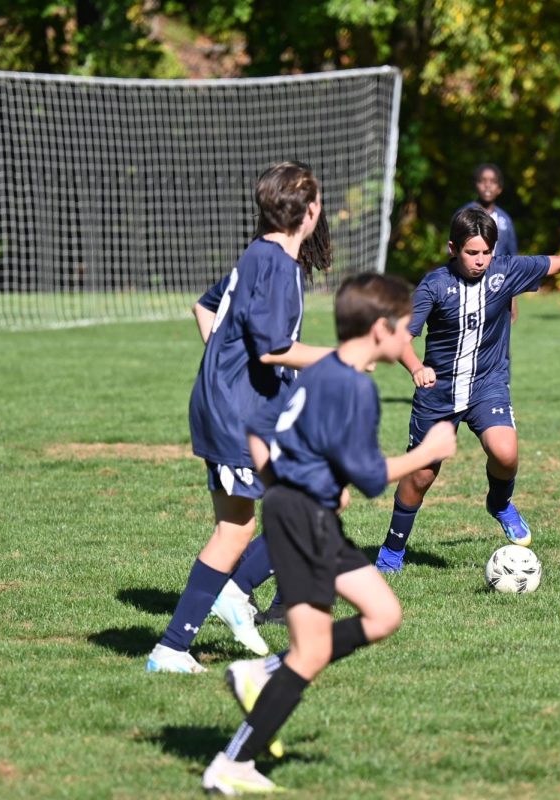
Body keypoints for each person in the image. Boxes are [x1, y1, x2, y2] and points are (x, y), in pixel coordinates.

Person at [201, 274, 458, 794]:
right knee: (311, 652)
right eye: (406, 328)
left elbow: (259, 428)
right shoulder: (357, 387)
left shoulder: (321, 371)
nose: (409, 336)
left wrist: (285, 484)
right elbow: (367, 476)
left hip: (309, 514)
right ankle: (233, 762)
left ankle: (263, 673)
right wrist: (428, 452)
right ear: (381, 329)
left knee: (384, 614)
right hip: (303, 520)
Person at [373, 208, 560, 573]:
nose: (481, 260)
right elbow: (403, 336)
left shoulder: (505, 271)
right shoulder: (434, 285)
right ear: (453, 248)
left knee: (505, 453)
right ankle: (392, 551)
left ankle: (500, 503)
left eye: (486, 252)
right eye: (472, 253)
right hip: (439, 394)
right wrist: (416, 367)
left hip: (487, 385)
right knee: (421, 475)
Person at [147, 162, 335, 674]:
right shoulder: (276, 266)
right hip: (238, 416)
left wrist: (224, 363)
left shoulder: (259, 254)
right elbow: (274, 349)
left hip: (237, 407)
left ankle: (228, 595)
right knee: (240, 529)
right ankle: (174, 644)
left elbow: (205, 309)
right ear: (312, 211)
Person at [458, 163, 518, 257]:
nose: (487, 185)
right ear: (475, 185)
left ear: (499, 189)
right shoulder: (464, 214)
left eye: (493, 181)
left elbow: (513, 255)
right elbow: (453, 251)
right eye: (483, 181)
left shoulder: (505, 219)